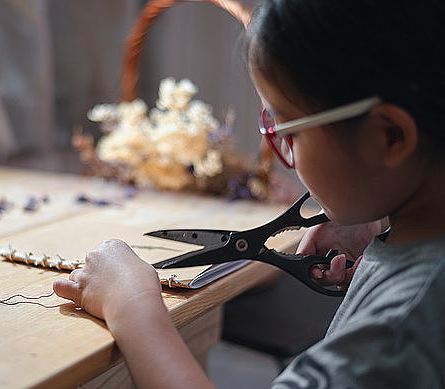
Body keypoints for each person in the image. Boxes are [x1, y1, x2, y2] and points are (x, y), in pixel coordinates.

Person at [54, 0, 445, 387]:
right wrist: (381, 222)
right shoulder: (417, 235)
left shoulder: (401, 330)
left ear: (388, 137)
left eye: (288, 134)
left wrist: (132, 305)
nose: (286, 157)